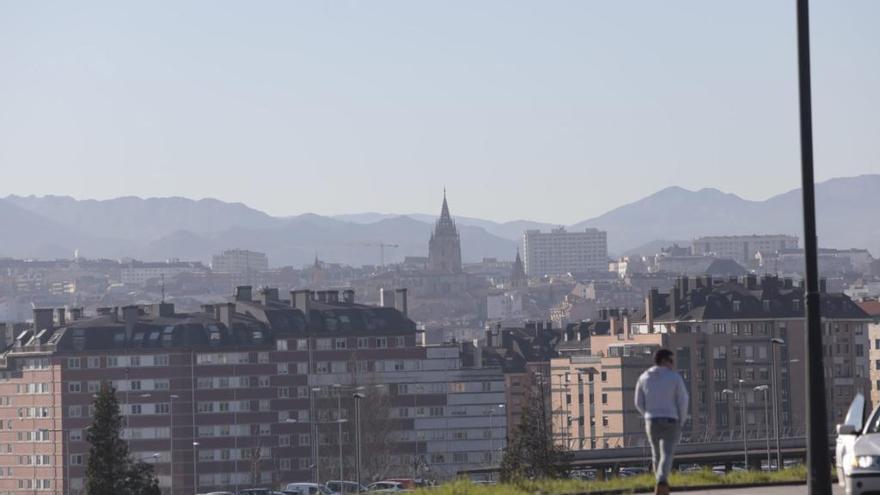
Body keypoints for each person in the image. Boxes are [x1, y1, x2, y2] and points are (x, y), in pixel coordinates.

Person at [634, 348, 689, 495]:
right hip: (671, 420)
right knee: (667, 453)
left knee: (656, 454)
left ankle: (660, 485)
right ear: (664, 360)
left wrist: (646, 414)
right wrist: (681, 419)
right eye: (671, 361)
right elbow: (683, 400)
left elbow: (638, 402)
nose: (672, 364)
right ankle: (661, 481)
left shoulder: (644, 377)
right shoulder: (674, 377)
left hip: (651, 420)